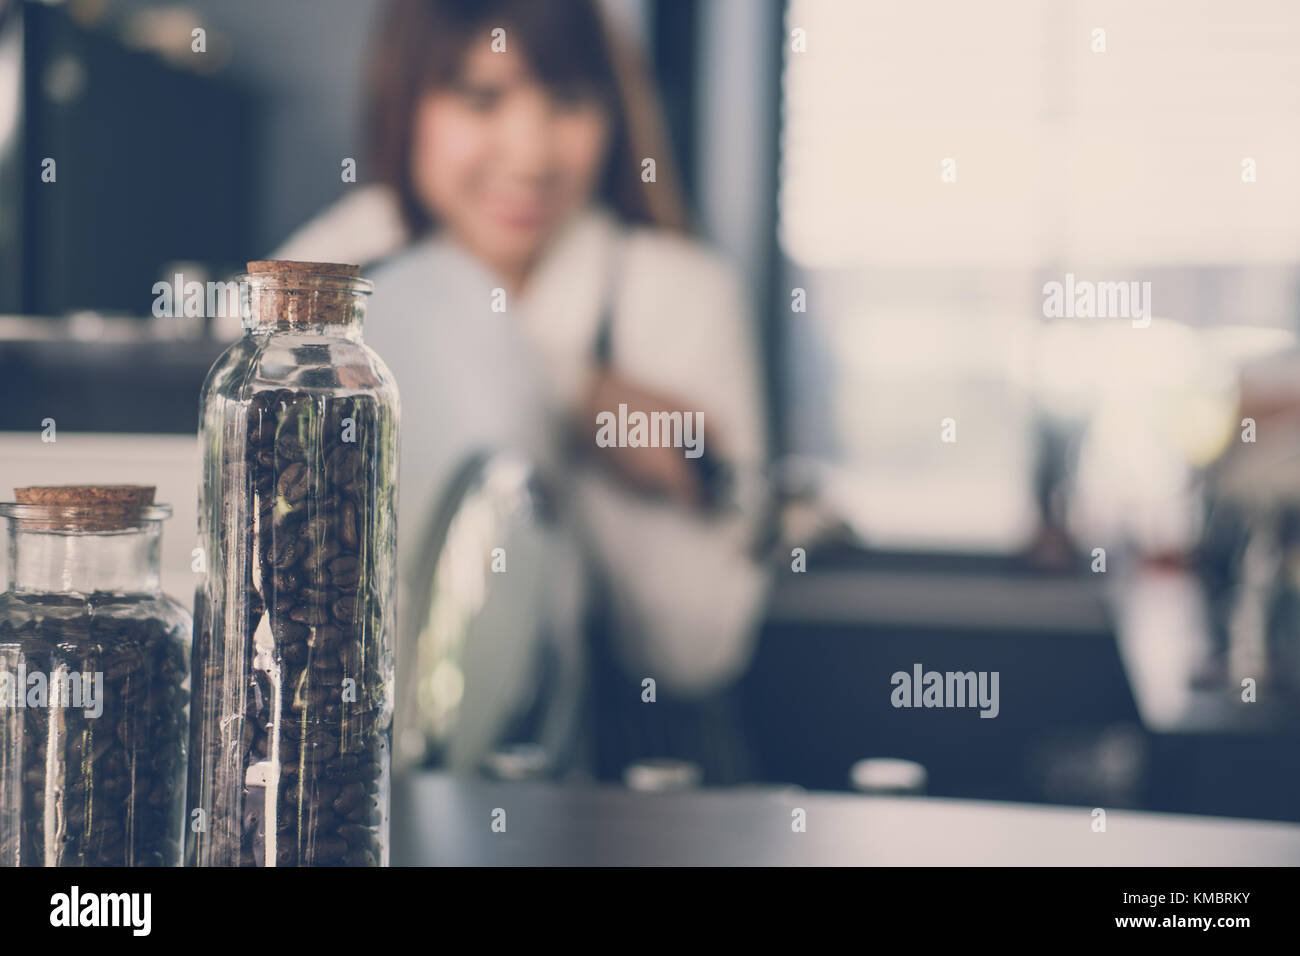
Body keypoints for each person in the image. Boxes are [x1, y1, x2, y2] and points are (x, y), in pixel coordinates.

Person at [275, 0, 769, 781]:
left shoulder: (675, 293)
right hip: (375, 785)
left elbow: (696, 650)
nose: (532, 153)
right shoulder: (342, 262)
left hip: (629, 799)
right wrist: (573, 387)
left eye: (569, 101)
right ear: (406, 101)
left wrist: (549, 402)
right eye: (481, 98)